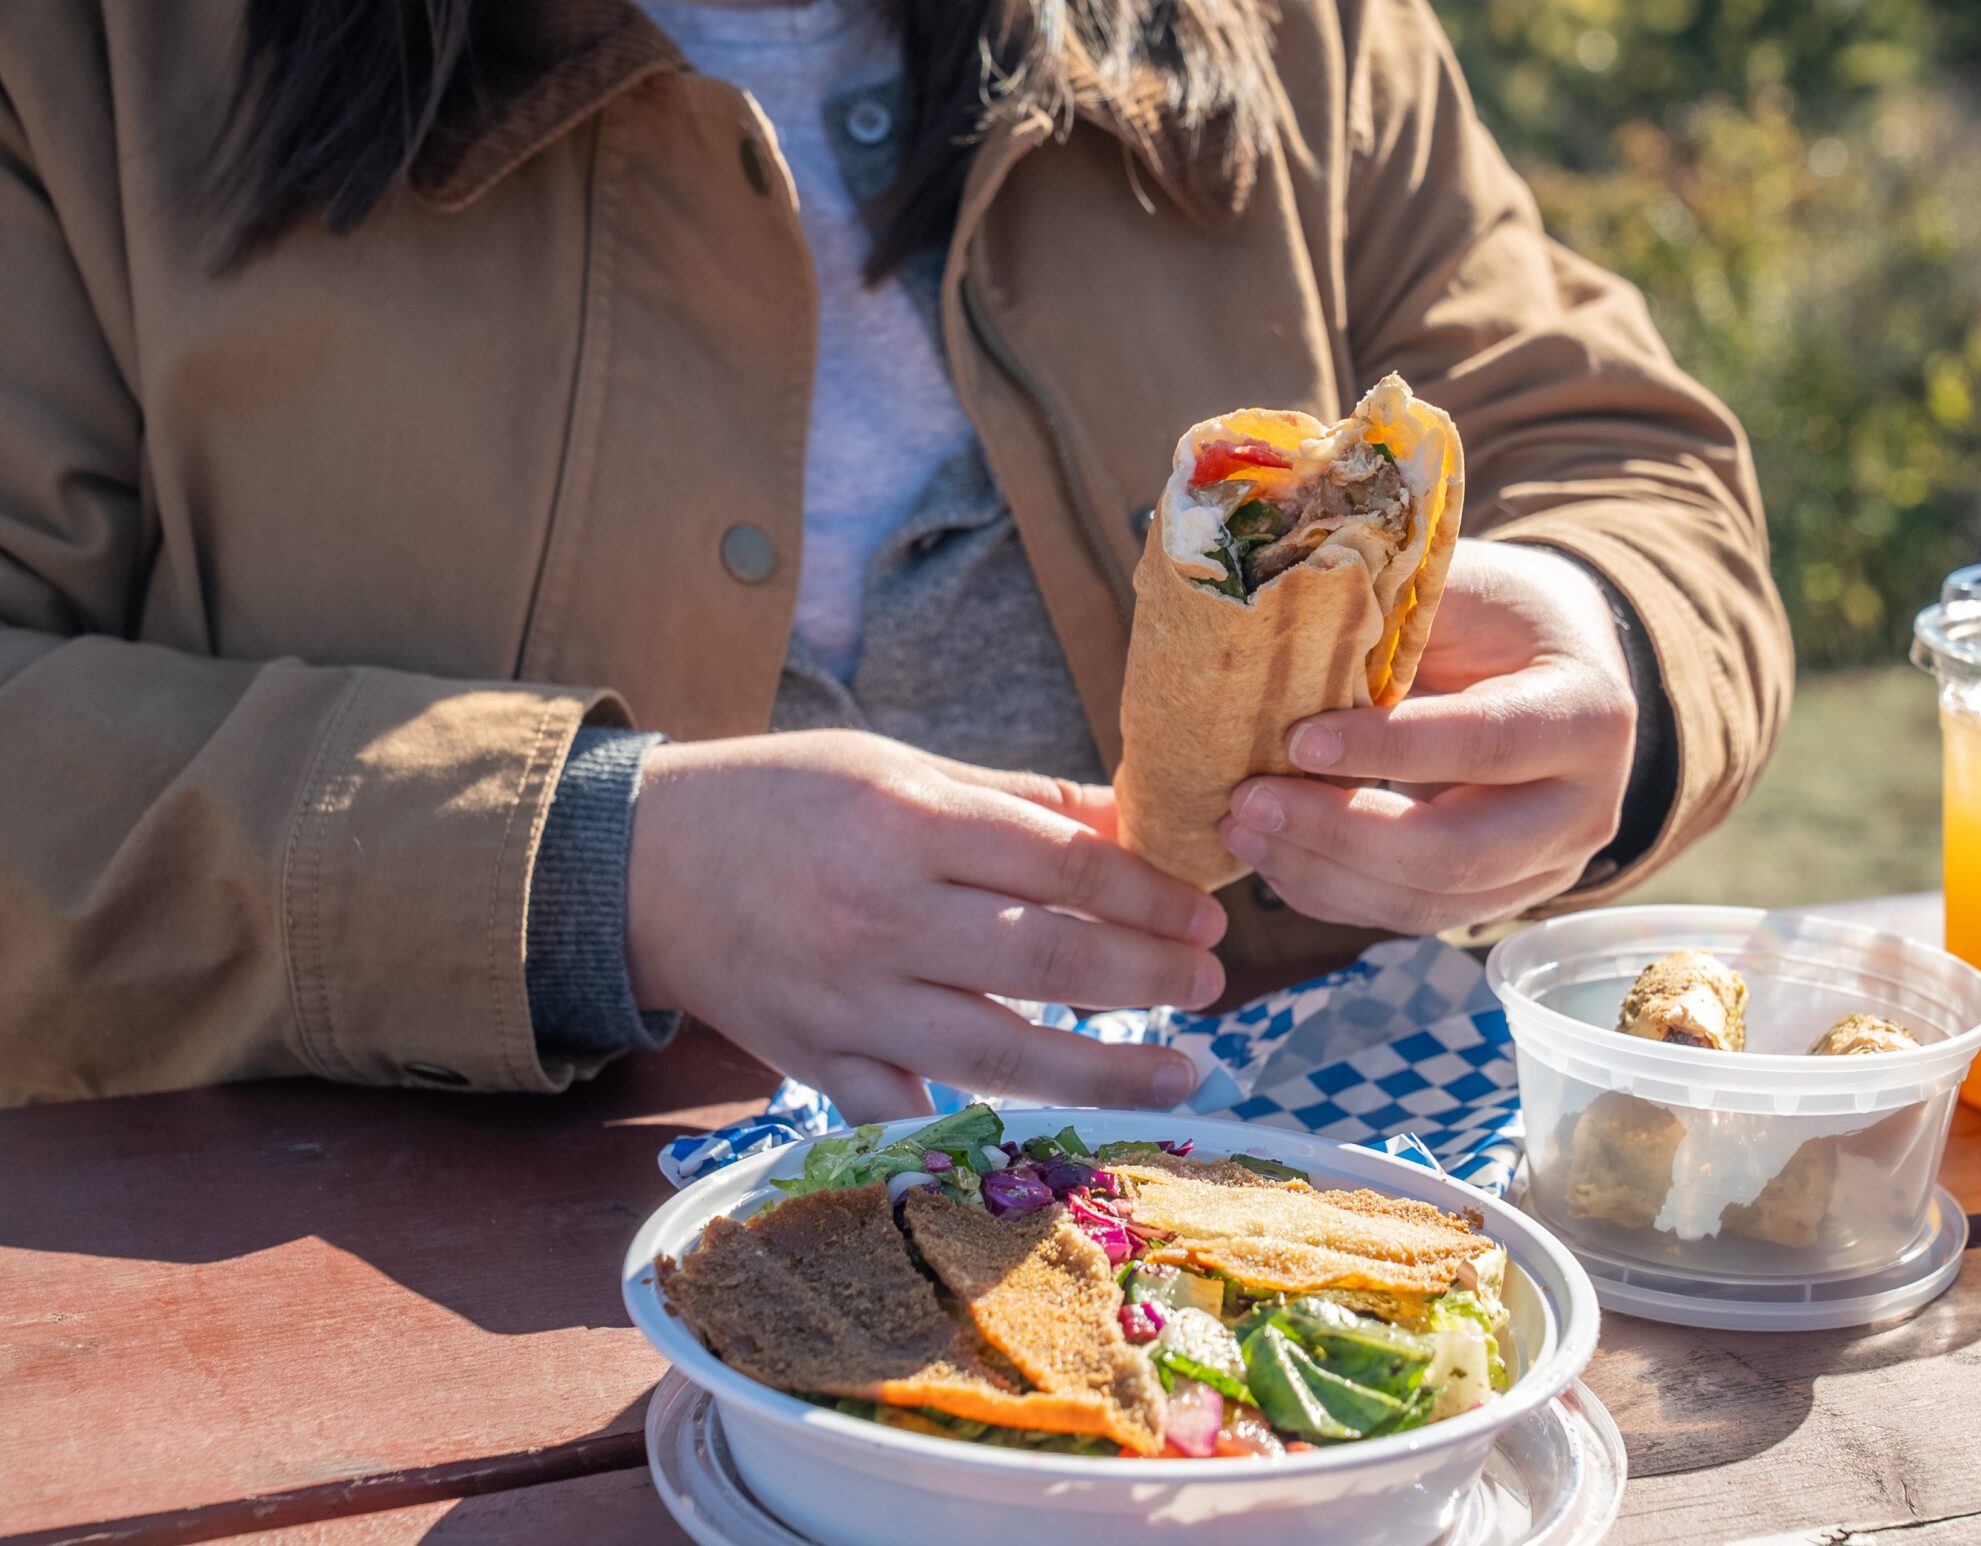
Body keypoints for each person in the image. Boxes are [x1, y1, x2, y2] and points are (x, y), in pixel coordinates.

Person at [0, 0, 1789, 1115]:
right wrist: (592, 865)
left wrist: (1608, 655)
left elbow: (1624, 464)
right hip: (391, 1417)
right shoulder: (87, 59)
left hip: (1250, 1335)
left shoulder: (1288, 24)